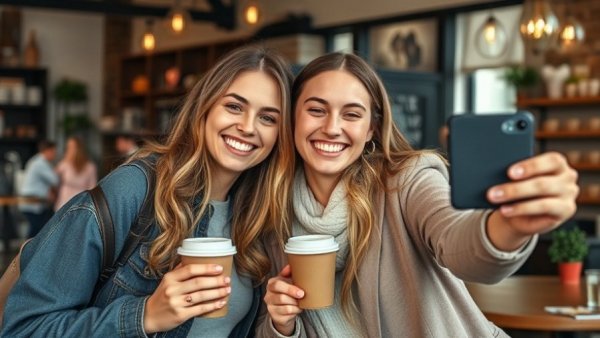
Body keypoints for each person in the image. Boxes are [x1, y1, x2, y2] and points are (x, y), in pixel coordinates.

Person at [258, 53, 579, 337]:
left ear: (371, 128)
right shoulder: (272, 210)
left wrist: (514, 224)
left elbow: (458, 242)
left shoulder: (407, 181)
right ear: (293, 118)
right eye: (316, 110)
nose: (331, 127)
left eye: (352, 114)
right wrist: (282, 326)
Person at [2, 45, 294, 337]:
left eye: (268, 118)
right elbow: (24, 328)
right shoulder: (134, 190)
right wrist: (145, 316)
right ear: (204, 107)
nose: (247, 127)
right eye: (234, 106)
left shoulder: (257, 220)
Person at [18, 140, 59, 238]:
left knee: (38, 230)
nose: (55, 155)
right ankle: (25, 252)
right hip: (32, 202)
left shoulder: (37, 161)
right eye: (54, 152)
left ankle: (27, 251)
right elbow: (55, 180)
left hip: (35, 202)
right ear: (47, 151)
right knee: (37, 231)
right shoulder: (40, 163)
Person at [54, 136, 98, 211]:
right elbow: (53, 179)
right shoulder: (64, 164)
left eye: (72, 147)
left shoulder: (90, 167)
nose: (68, 150)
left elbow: (92, 188)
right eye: (68, 147)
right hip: (63, 204)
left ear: (79, 149)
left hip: (80, 205)